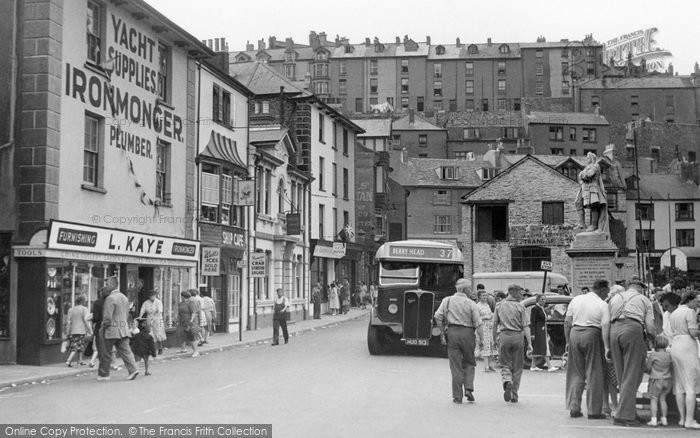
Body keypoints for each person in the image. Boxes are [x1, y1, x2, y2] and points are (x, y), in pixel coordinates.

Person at [607, 275, 656, 427]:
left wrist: (607, 345)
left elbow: (606, 322)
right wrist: (653, 340)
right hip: (632, 329)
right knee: (633, 373)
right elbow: (650, 327)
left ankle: (629, 410)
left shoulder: (615, 298)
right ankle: (624, 416)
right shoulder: (644, 299)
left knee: (622, 375)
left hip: (614, 331)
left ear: (629, 286)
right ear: (641, 288)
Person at [564, 279, 610, 419]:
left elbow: (567, 322)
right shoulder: (602, 304)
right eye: (606, 292)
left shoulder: (576, 299)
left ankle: (574, 407)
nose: (607, 295)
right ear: (602, 290)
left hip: (575, 333)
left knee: (575, 372)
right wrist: (607, 346)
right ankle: (594, 410)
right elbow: (606, 325)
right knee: (594, 372)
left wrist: (567, 341)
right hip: (592, 333)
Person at [433, 279, 484, 404]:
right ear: (466, 290)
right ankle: (468, 388)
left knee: (455, 365)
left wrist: (442, 331)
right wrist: (482, 339)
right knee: (469, 362)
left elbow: (437, 317)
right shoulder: (471, 303)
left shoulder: (447, 301)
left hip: (452, 332)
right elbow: (478, 323)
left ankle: (457, 396)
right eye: (470, 289)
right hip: (468, 333)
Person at [492, 284, 533, 403]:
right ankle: (514, 394)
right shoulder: (520, 307)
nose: (522, 295)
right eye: (520, 293)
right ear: (513, 292)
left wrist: (494, 339)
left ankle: (507, 380)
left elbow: (494, 324)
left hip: (504, 336)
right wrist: (529, 343)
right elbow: (526, 326)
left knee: (505, 363)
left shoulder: (499, 305)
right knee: (518, 367)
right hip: (517, 337)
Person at [668, 290, 700, 429]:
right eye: (697, 301)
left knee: (680, 385)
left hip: (676, 344)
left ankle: (682, 418)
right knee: (690, 385)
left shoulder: (675, 312)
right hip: (687, 345)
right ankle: (690, 420)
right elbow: (693, 332)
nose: (698, 304)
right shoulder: (690, 312)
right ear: (690, 300)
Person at [98, 275, 139, 381]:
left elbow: (107, 317)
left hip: (111, 329)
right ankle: (133, 369)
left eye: (107, 284)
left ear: (112, 285)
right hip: (123, 328)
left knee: (105, 352)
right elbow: (126, 314)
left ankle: (104, 375)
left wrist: (103, 327)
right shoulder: (124, 297)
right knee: (126, 351)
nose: (106, 286)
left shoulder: (110, 298)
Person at [576, 152, 609, 236]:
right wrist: (583, 175)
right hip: (585, 188)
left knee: (594, 205)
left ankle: (594, 225)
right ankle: (582, 224)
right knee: (578, 202)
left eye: (588, 157)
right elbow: (580, 176)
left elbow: (588, 175)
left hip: (593, 188)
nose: (586, 159)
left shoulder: (595, 165)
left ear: (591, 158)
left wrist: (583, 174)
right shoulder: (587, 167)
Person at [645, 335, 673, 427]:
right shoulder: (669, 355)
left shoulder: (653, 355)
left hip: (656, 379)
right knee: (663, 399)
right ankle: (664, 419)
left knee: (654, 399)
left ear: (655, 344)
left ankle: (654, 419)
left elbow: (648, 367)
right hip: (667, 380)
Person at [530, 294, 557, 372]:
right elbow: (533, 322)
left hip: (542, 329)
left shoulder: (541, 308)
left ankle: (533, 365)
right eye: (542, 299)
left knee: (537, 348)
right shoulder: (535, 309)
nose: (544, 301)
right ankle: (549, 366)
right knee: (544, 347)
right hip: (538, 330)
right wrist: (533, 333)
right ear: (537, 300)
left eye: (544, 299)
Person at [65, 294, 92, 367]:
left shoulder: (71, 310)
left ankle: (80, 361)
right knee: (76, 346)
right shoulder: (84, 309)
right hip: (81, 330)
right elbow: (86, 321)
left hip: (73, 331)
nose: (86, 302)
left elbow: (68, 322)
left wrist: (67, 332)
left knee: (80, 345)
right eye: (85, 301)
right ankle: (68, 360)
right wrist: (90, 330)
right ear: (83, 301)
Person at [88, 287, 111, 368]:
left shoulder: (98, 302)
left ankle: (103, 366)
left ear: (101, 293)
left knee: (100, 347)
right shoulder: (111, 301)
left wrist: (92, 319)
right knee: (108, 348)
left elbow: (96, 317)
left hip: (100, 327)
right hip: (110, 327)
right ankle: (107, 364)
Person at [139, 290, 166, 355]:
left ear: (155, 296)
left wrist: (155, 317)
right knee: (150, 333)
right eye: (150, 296)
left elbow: (159, 311)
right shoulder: (146, 303)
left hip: (158, 319)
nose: (151, 297)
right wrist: (140, 316)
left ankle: (160, 347)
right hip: (149, 318)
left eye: (153, 295)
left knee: (158, 333)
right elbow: (142, 309)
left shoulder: (158, 302)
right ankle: (152, 348)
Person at [476, 290, 496, 372]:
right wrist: (485, 317)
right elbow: (476, 318)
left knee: (491, 345)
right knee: (485, 346)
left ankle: (490, 364)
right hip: (483, 327)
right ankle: (486, 366)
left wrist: (492, 315)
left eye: (486, 296)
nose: (485, 297)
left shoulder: (487, 305)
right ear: (479, 297)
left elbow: (490, 313)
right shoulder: (477, 306)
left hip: (490, 326)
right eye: (483, 296)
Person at [176, 290, 199, 357]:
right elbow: (179, 313)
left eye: (181, 296)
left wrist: (191, 320)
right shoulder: (180, 303)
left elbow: (193, 312)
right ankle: (183, 349)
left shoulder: (190, 303)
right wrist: (177, 320)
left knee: (191, 336)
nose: (181, 297)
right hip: (182, 321)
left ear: (183, 296)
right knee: (181, 335)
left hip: (189, 321)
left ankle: (195, 351)